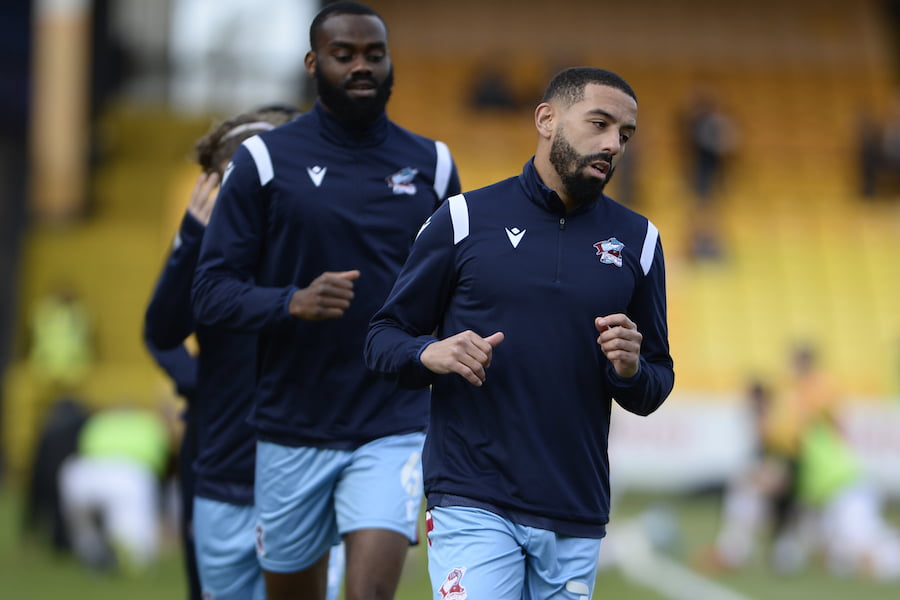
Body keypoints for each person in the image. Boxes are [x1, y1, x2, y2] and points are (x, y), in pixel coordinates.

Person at [365, 66, 674, 599]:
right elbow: (381, 339)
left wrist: (629, 369)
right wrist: (429, 353)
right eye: (599, 123)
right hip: (471, 496)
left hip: (574, 508)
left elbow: (655, 381)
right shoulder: (464, 219)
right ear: (547, 119)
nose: (613, 144)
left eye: (625, 135)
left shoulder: (639, 240)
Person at [190, 3, 461, 599]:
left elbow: (457, 288)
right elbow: (209, 293)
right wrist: (291, 302)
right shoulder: (265, 162)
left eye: (374, 54)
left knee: (369, 592)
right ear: (313, 64)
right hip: (292, 425)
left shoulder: (434, 165)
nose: (362, 66)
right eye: (344, 55)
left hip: (393, 421)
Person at [144, 106, 307, 600]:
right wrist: (199, 383)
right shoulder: (205, 247)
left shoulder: (307, 237)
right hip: (218, 444)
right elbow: (160, 330)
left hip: (298, 452)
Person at [57, 404, 174, 574]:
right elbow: (163, 465)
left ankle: (92, 552)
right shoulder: (150, 425)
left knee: (83, 521)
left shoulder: (98, 422)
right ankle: (128, 559)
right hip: (130, 475)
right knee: (135, 551)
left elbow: (81, 448)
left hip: (85, 473)